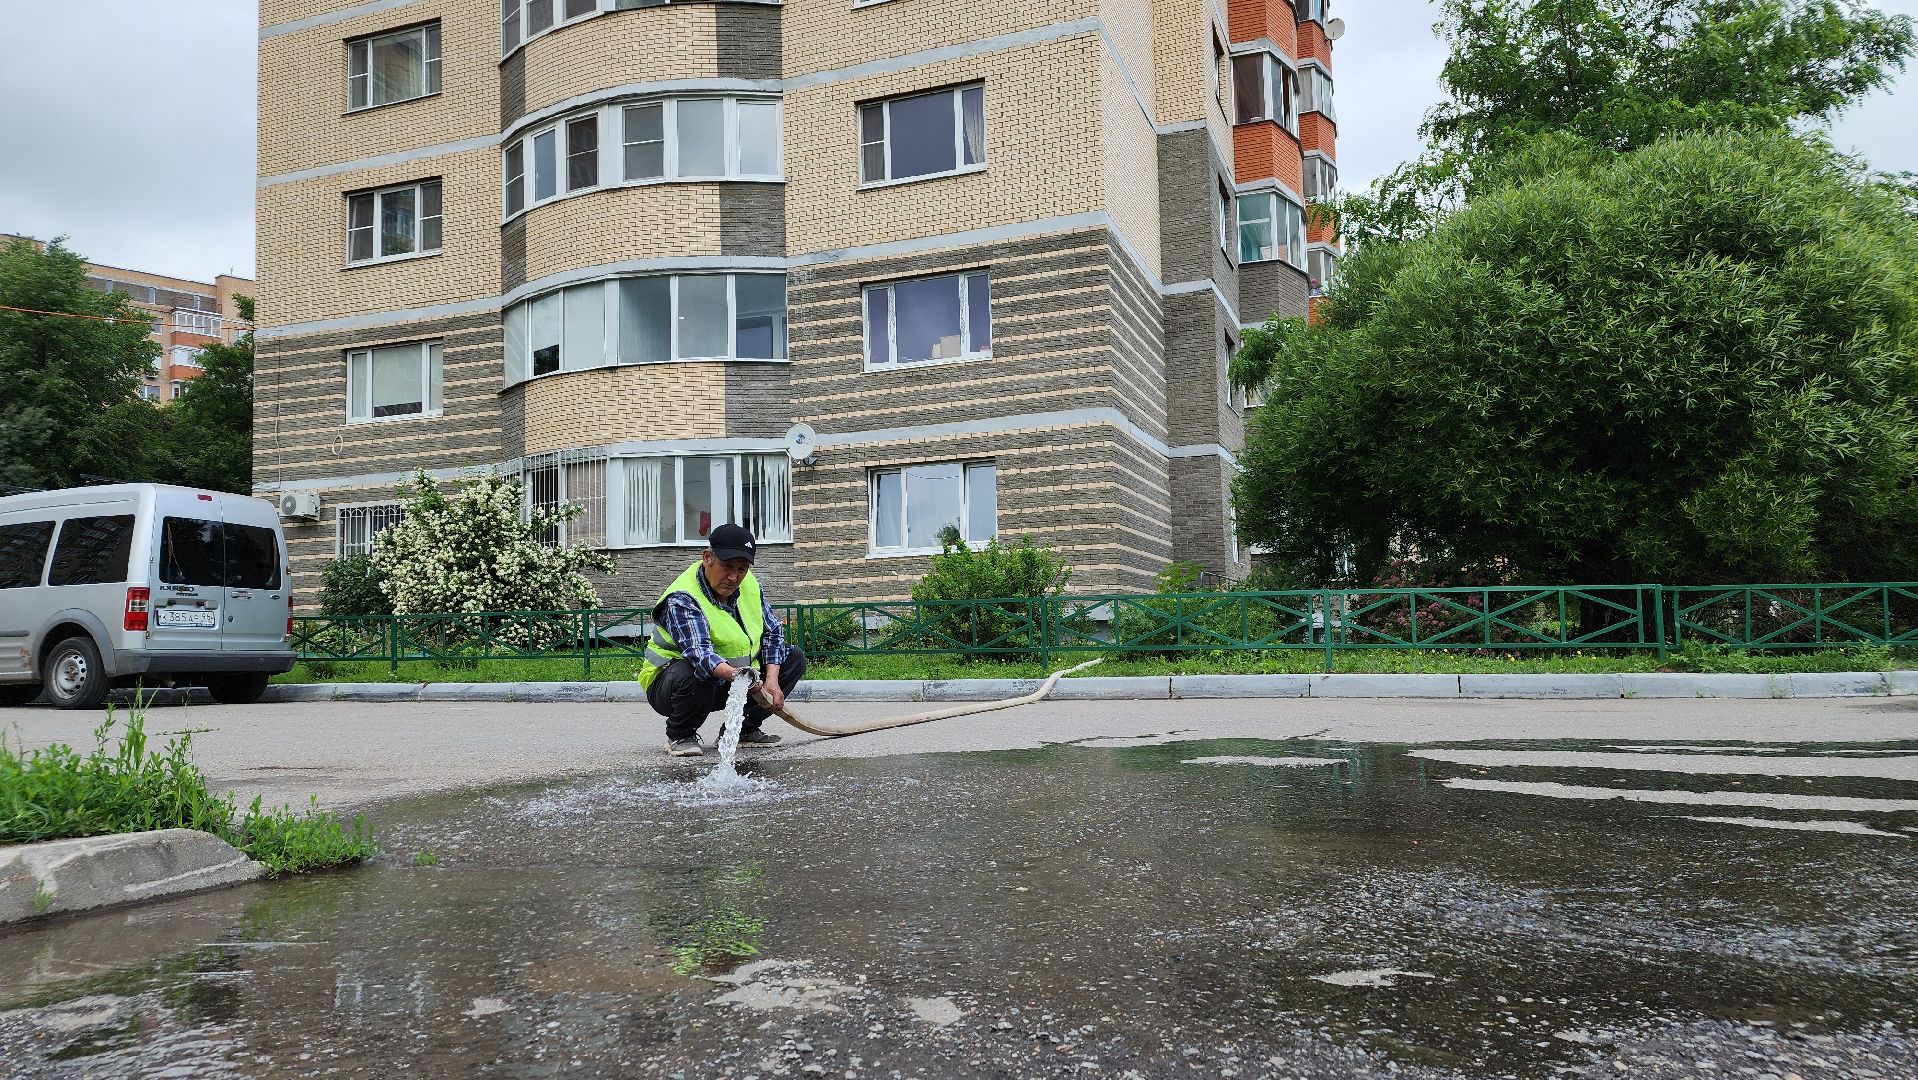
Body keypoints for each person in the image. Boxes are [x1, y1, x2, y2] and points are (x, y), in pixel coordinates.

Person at [640, 524, 807, 757]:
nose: (733, 577)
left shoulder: (750, 585)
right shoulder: (683, 597)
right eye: (727, 566)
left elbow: (772, 633)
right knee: (695, 671)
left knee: (793, 658)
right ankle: (681, 734)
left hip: (732, 681)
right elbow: (701, 654)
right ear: (707, 558)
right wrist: (739, 676)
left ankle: (743, 730)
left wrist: (771, 680)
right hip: (673, 684)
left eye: (742, 569)